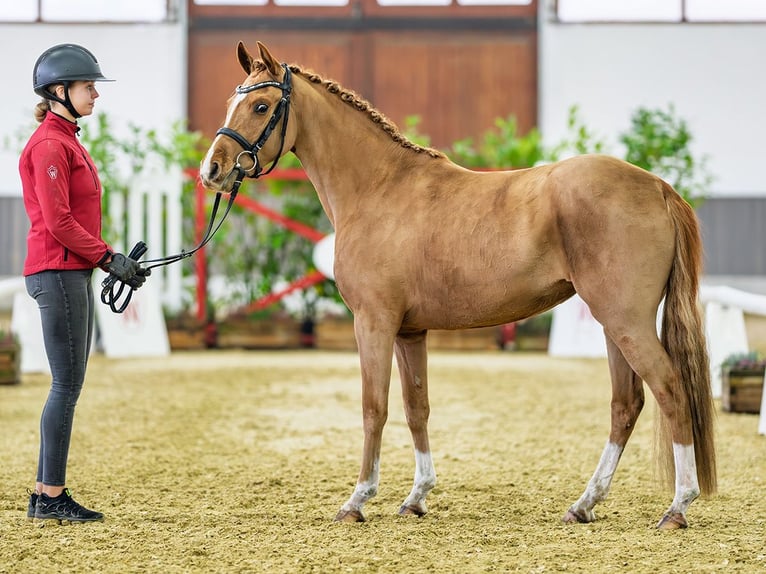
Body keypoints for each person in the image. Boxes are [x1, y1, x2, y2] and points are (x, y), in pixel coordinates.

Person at [20, 43, 149, 525]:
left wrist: (109, 257)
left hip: (68, 269)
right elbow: (57, 221)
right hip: (57, 271)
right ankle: (48, 495)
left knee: (68, 383)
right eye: (87, 86)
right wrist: (108, 258)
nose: (96, 94)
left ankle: (45, 495)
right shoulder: (51, 144)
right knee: (66, 384)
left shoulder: (66, 139)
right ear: (60, 91)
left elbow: (72, 219)